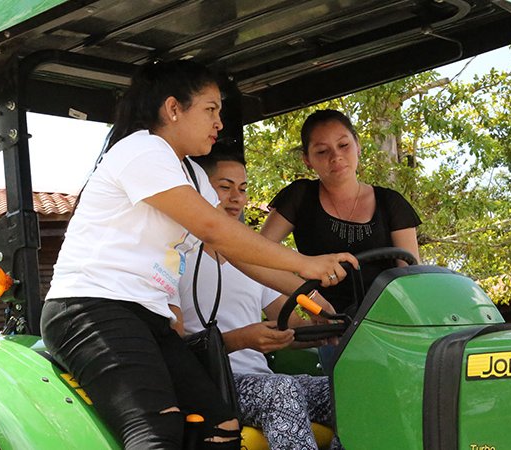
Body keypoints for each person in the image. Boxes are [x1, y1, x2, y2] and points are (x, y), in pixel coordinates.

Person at [40, 61, 357, 450]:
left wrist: (316, 301)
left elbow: (239, 255)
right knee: (156, 431)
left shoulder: (191, 174)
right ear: (174, 109)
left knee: (219, 425)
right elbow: (214, 229)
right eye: (210, 109)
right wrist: (306, 262)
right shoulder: (142, 150)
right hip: (92, 307)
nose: (219, 122)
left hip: (145, 315)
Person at [174, 152, 342, 450]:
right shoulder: (178, 258)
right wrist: (242, 339)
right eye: (224, 187)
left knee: (348, 392)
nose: (235, 197)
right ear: (199, 188)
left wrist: (323, 331)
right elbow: (175, 350)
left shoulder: (255, 263)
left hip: (263, 382)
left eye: (242, 188)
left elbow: (291, 330)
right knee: (281, 389)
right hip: (215, 385)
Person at [260, 109, 422, 316]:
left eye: (343, 145)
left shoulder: (391, 203)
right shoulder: (299, 196)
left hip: (391, 324)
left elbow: (411, 279)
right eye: (321, 151)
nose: (336, 156)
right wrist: (312, 302)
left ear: (358, 146)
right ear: (307, 160)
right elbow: (258, 256)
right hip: (332, 329)